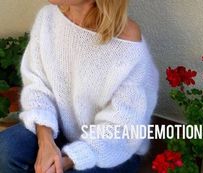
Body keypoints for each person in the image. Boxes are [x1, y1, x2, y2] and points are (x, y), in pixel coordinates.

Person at [0, 0, 159, 172]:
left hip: (112, 149)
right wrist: (45, 142)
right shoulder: (48, 18)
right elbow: (37, 86)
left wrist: (67, 160)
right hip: (59, 133)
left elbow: (123, 125)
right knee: (6, 149)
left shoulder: (127, 39)